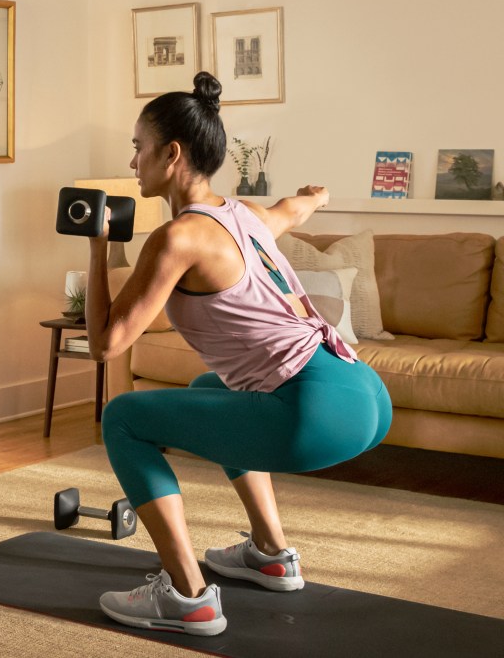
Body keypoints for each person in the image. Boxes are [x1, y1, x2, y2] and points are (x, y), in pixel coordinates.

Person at [86, 71, 392, 636]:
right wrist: (314, 197)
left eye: (138, 148)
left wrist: (99, 246)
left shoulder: (178, 238)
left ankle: (187, 595)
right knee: (211, 390)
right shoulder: (246, 215)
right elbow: (291, 211)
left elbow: (106, 344)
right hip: (364, 392)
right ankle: (271, 553)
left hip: (315, 411)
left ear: (171, 153)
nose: (133, 163)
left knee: (123, 418)